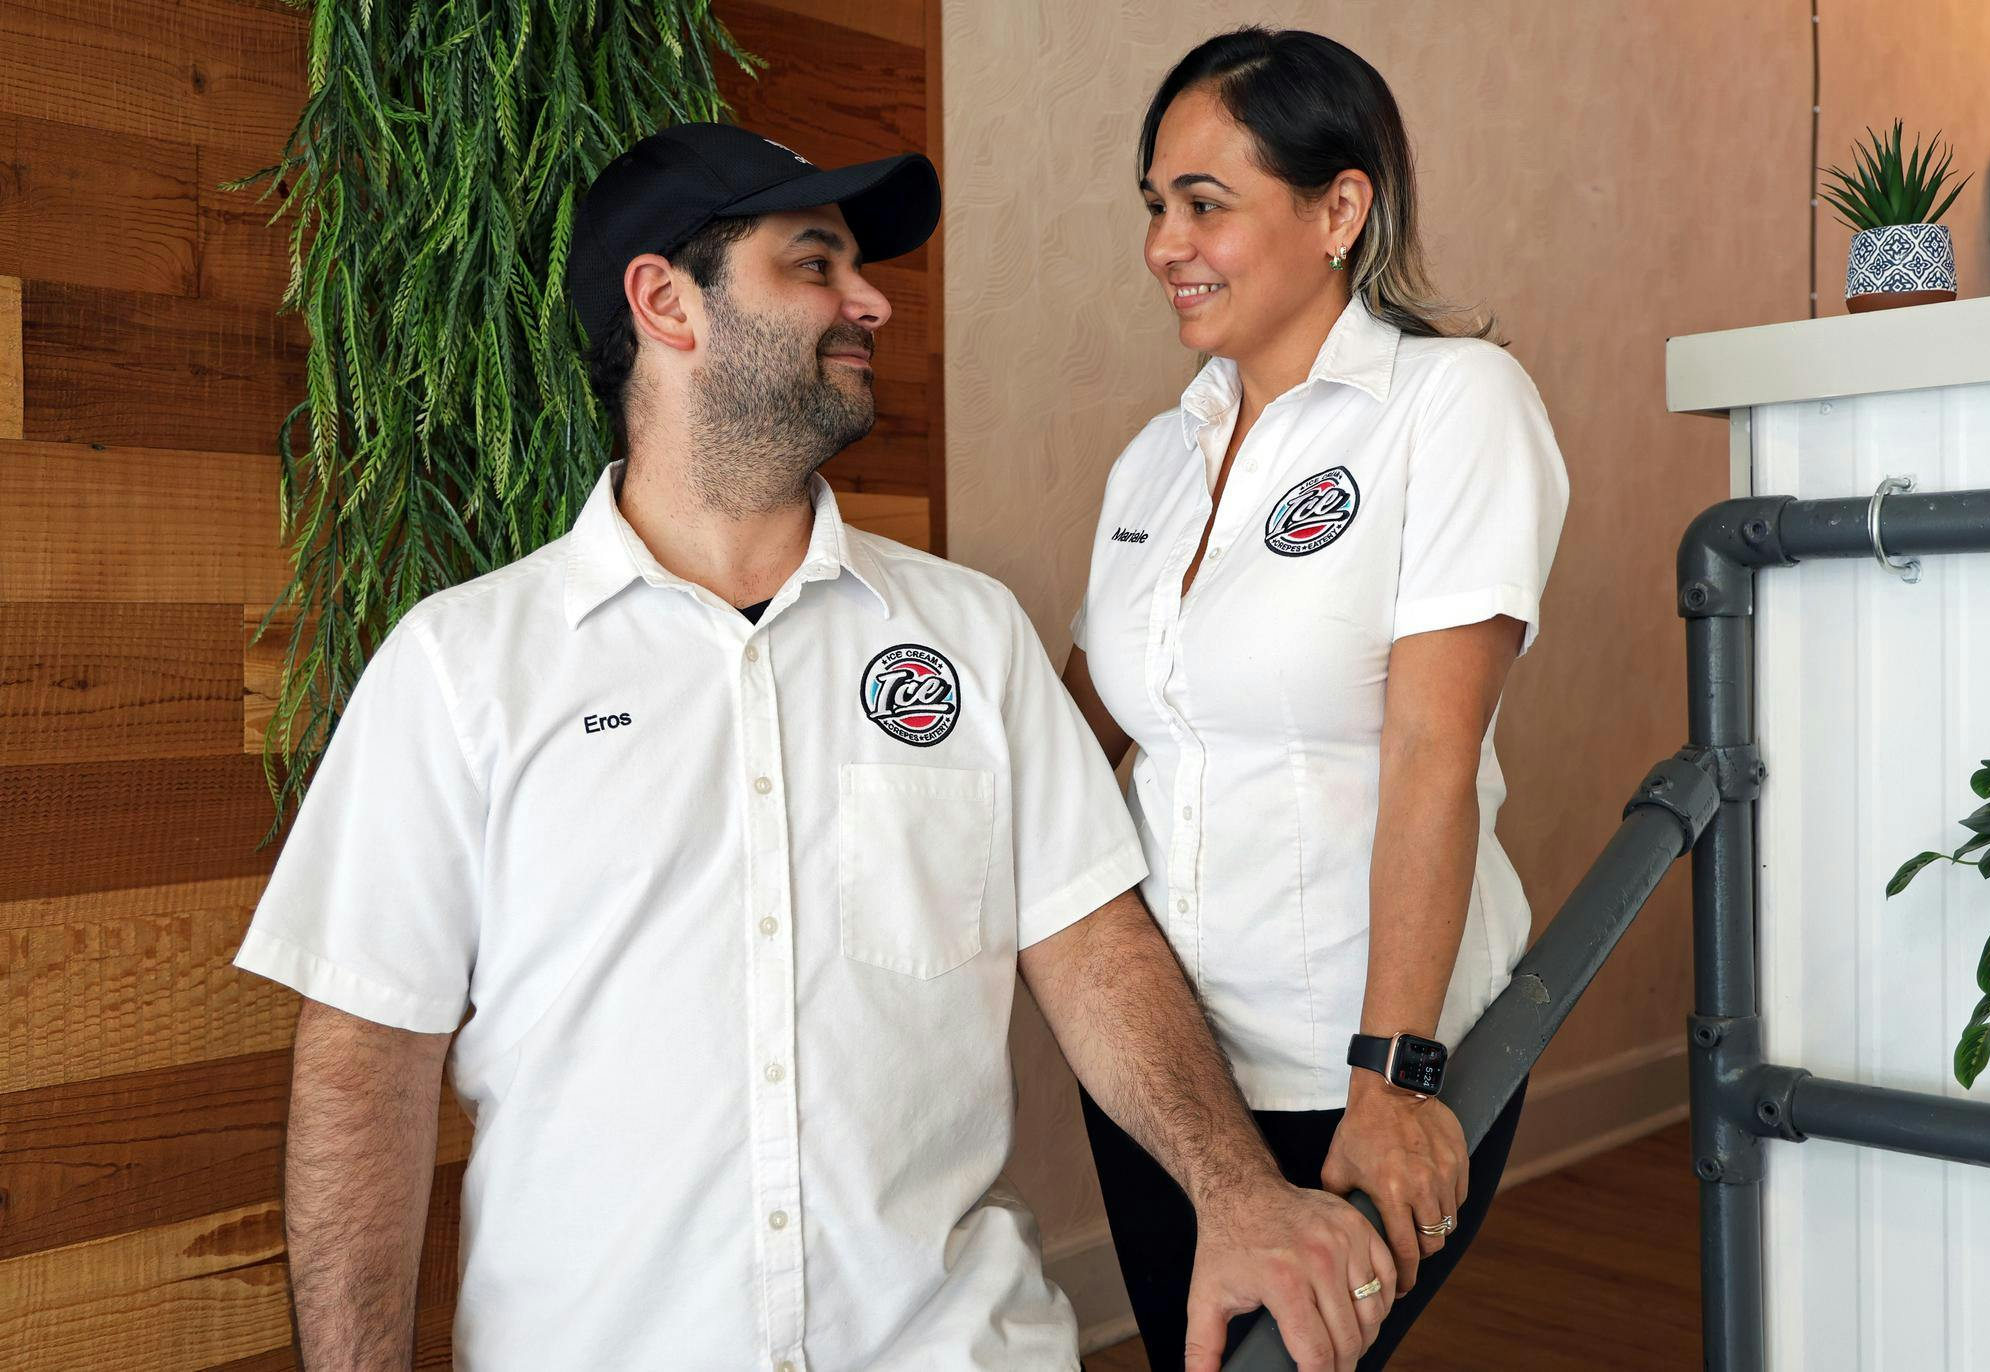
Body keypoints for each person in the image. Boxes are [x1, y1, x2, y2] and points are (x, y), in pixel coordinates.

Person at [233, 122, 1400, 1372]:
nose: (871, 301)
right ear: (663, 303)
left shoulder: (970, 633)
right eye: (813, 265)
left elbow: (1094, 946)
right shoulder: (463, 667)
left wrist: (1234, 1188)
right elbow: (368, 1058)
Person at [1062, 28, 1572, 1371]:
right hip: (1163, 1076)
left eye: (1206, 205)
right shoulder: (1152, 465)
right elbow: (1082, 732)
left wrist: (1393, 1076)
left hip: (1352, 1062)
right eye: (1155, 208)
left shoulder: (1453, 407)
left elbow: (1431, 746)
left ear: (1339, 208)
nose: (1169, 243)